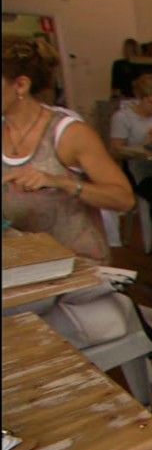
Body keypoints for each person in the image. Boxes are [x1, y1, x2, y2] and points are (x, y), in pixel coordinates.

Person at [3, 35, 137, 349]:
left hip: (78, 271)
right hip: (27, 270)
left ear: (21, 85)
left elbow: (124, 199)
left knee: (15, 335)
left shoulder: (68, 133)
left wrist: (60, 182)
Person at [109, 73, 152, 233]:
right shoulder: (122, 117)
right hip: (139, 171)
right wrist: (143, 147)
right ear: (140, 97)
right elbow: (116, 151)